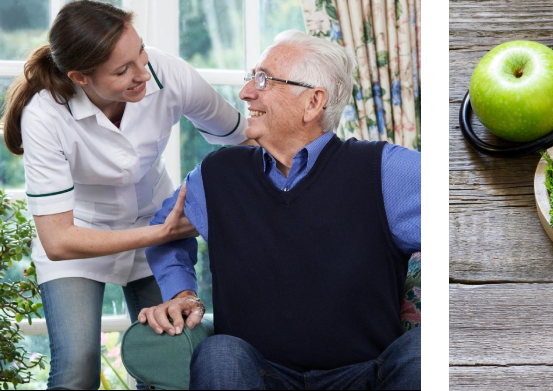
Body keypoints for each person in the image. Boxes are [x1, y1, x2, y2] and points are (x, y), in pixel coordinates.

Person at [138, 30, 421, 389]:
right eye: (250, 78)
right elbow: (164, 230)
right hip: (261, 375)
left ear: (314, 102)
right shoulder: (218, 174)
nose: (245, 93)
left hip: (366, 375)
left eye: (263, 80)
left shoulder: (385, 170)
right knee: (220, 351)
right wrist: (181, 292)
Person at [0, 1, 250, 389]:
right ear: (80, 77)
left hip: (154, 219)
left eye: (141, 53)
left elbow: (242, 140)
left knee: (167, 361)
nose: (143, 73)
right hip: (80, 235)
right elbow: (58, 240)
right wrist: (162, 233)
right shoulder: (45, 115)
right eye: (122, 70)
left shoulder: (167, 73)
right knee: (76, 370)